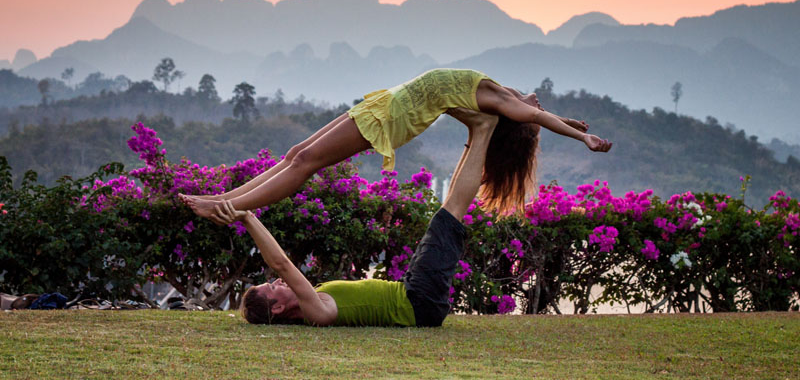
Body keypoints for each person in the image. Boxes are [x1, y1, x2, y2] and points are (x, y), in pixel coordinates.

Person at [182, 68, 612, 220]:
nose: (539, 102)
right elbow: (538, 114)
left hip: (393, 118)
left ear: (517, 116)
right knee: (298, 153)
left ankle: (227, 209)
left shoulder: (506, 104)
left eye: (538, 110)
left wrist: (581, 137)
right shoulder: (504, 94)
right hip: (386, 103)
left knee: (307, 161)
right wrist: (570, 121)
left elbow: (534, 116)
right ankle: (223, 199)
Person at [221, 109, 501, 326]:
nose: (279, 281)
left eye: (273, 281)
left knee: (447, 212)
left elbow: (281, 267)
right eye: (272, 287)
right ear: (279, 308)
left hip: (411, 291)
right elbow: (281, 263)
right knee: (450, 214)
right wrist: (247, 215)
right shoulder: (318, 312)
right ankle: (483, 129)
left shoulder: (316, 300)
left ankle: (477, 132)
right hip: (419, 302)